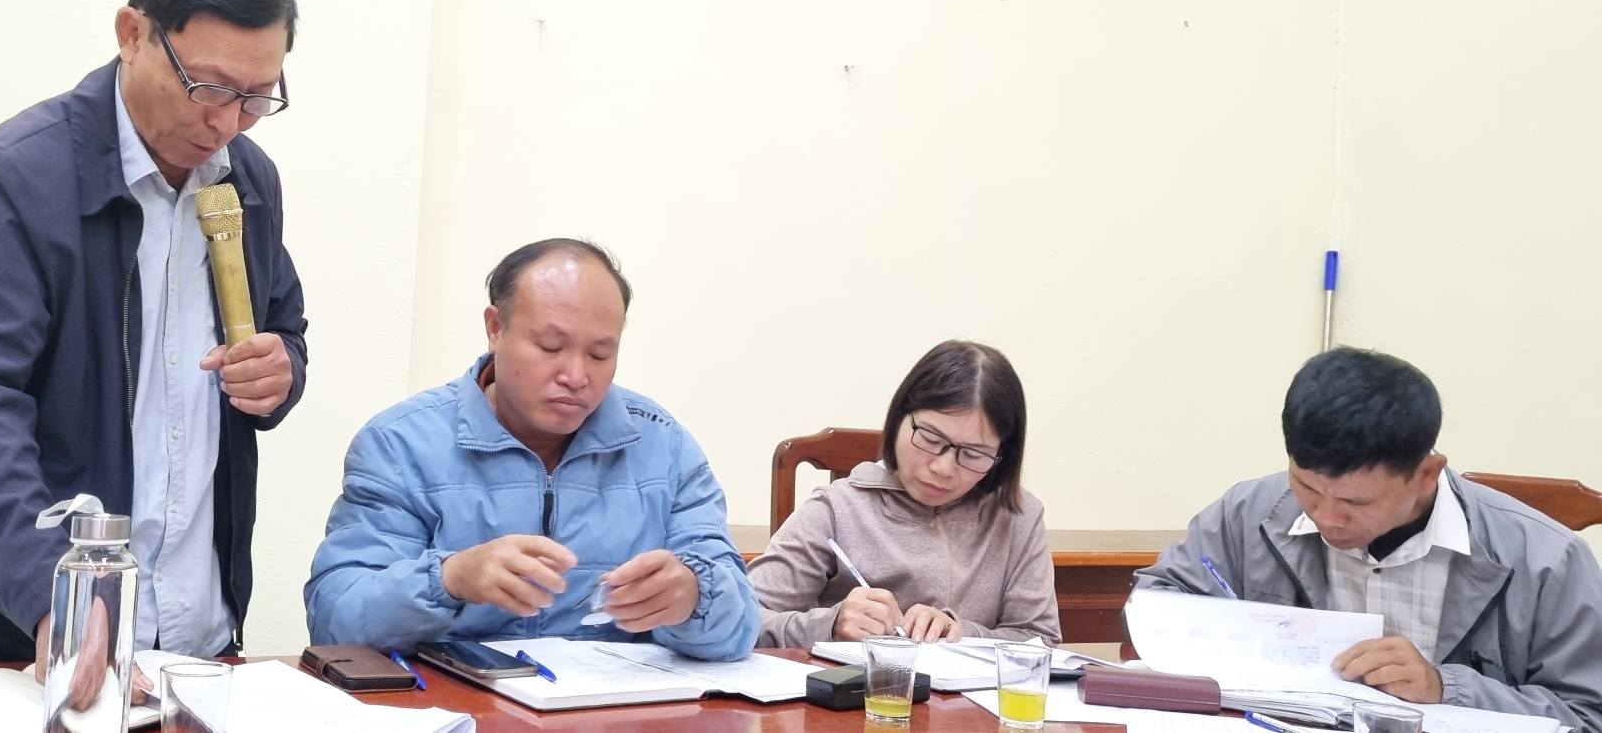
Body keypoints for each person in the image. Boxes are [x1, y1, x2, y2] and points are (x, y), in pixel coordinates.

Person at [0, 0, 310, 668]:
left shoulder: (248, 181)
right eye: (208, 87)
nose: (225, 121)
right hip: (19, 636)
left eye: (255, 96)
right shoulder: (20, 175)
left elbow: (284, 327)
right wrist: (49, 594)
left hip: (195, 637)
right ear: (132, 34)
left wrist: (281, 372)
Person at [304, 239, 758, 659]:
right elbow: (335, 622)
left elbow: (741, 629)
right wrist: (448, 579)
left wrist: (693, 598)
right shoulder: (401, 444)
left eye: (600, 354)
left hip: (614, 705)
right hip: (452, 705)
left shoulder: (663, 446)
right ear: (495, 328)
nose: (576, 376)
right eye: (549, 346)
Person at [1136, 347, 1602, 729]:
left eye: (1354, 502)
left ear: (1427, 474)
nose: (1326, 517)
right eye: (1306, 487)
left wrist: (1446, 688)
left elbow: (1588, 715)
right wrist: (1245, 637)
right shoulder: (1248, 513)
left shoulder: (1547, 560)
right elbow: (1158, 602)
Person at [748, 340, 1060, 647]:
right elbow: (741, 619)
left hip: (969, 685)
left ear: (1001, 455)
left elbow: (1039, 639)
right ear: (899, 418)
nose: (944, 468)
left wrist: (960, 633)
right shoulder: (837, 509)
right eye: (930, 438)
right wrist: (829, 624)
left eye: (974, 454)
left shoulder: (1019, 516)